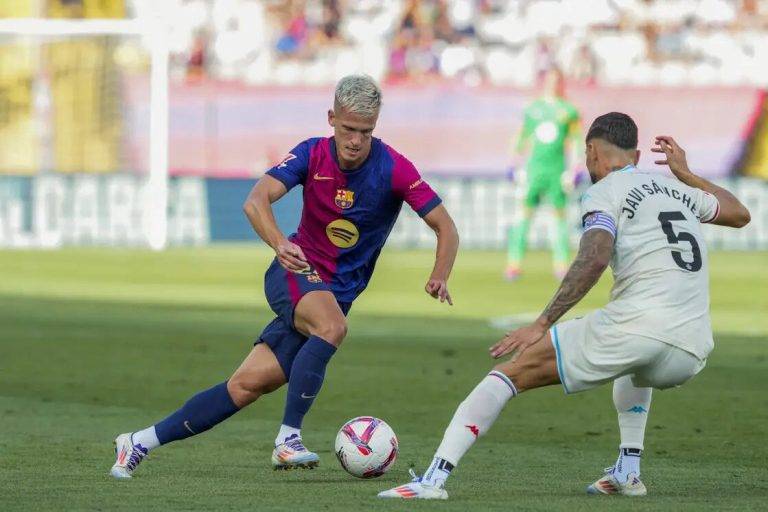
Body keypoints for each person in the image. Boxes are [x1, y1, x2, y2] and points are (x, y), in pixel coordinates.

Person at [379, 112, 750, 499]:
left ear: (591, 152)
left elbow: (594, 256)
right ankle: (628, 471)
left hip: (640, 329)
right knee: (633, 362)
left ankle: (433, 480)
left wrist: (541, 323)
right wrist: (687, 174)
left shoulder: (604, 190)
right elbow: (740, 214)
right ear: (637, 156)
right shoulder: (676, 188)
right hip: (692, 347)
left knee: (510, 373)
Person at [110, 74, 459, 478]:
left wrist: (440, 274)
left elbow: (446, 227)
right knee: (332, 327)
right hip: (294, 271)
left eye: (365, 132)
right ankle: (288, 439)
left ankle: (138, 441)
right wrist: (279, 243)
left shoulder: (394, 168)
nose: (355, 141)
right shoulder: (311, 154)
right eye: (348, 129)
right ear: (331, 118)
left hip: (334, 295)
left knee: (244, 386)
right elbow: (255, 200)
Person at [506, 67, 581, 280]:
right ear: (544, 82)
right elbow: (522, 135)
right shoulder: (532, 108)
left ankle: (561, 265)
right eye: (549, 80)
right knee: (524, 215)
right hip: (534, 170)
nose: (553, 84)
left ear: (561, 83)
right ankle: (514, 263)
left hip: (556, 170)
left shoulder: (569, 111)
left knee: (559, 216)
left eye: (556, 80)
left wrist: (575, 168)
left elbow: (576, 140)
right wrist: (513, 163)